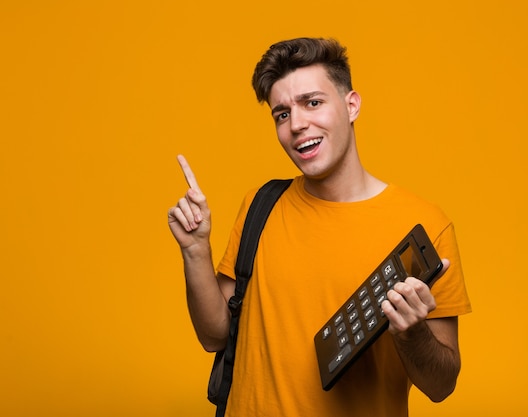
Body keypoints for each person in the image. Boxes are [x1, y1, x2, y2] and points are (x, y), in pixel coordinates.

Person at [168, 37, 471, 416]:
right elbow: (214, 336)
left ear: (351, 105)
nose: (297, 124)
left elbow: (441, 386)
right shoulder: (260, 206)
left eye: (313, 102)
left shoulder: (427, 225)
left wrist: (412, 333)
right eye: (281, 113)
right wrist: (195, 249)